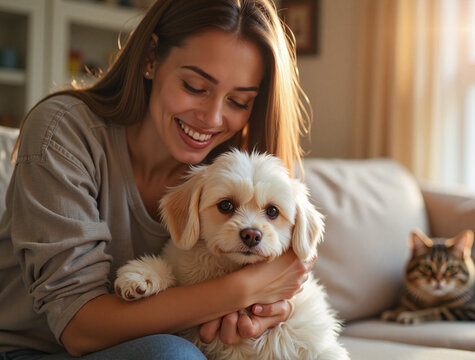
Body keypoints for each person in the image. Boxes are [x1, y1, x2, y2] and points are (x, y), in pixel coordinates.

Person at [0, 0, 314, 358]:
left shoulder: (240, 165)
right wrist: (243, 290)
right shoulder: (63, 132)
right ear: (151, 58)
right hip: (31, 350)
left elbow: (292, 269)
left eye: (238, 101)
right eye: (195, 86)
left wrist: (275, 310)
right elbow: (78, 328)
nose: (212, 118)